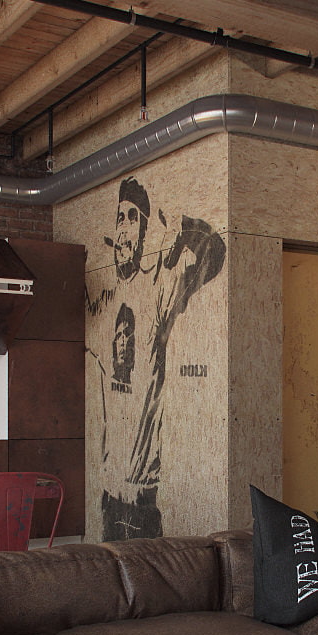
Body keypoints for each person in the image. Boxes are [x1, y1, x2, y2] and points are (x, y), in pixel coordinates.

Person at [88, 177, 224, 540]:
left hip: (141, 498)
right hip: (109, 496)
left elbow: (214, 252)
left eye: (133, 218)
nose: (124, 228)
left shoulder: (157, 289)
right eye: (120, 218)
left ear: (144, 232)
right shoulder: (106, 301)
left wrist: (185, 230)